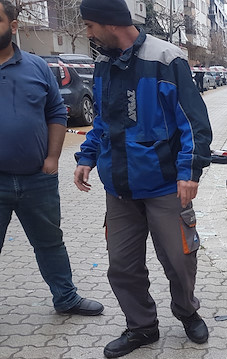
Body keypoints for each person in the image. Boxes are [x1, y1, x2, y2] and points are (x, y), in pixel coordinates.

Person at [73, 0, 213, 357]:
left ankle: (186, 312)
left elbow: (194, 121)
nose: (88, 34)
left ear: (110, 23)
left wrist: (190, 171)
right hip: (119, 189)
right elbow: (102, 121)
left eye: (90, 26)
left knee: (180, 261)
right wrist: (87, 157)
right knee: (121, 266)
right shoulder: (104, 64)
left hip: (166, 184)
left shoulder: (166, 59)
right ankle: (142, 326)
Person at [0, 0, 104, 317]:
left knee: (49, 243)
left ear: (13, 26)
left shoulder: (37, 67)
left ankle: (66, 299)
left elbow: (56, 112)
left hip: (37, 179)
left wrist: (53, 158)